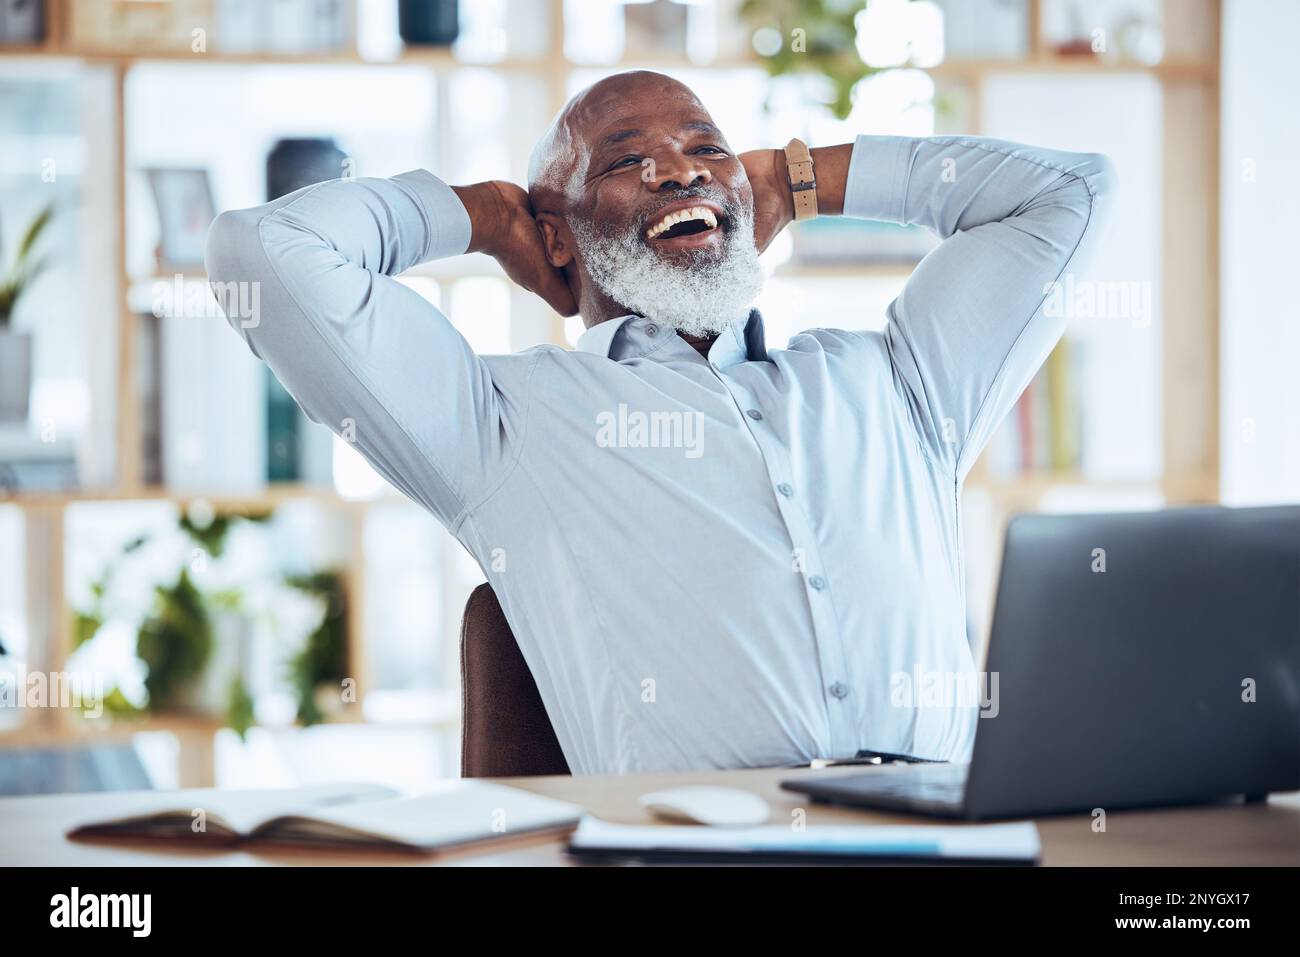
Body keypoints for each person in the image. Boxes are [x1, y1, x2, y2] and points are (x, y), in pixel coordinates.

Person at [206, 70, 1114, 775]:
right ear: (557, 236)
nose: (677, 169)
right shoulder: (501, 426)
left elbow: (1074, 191)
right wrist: (484, 216)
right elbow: (260, 252)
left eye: (704, 147)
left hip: (950, 848)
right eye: (623, 159)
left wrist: (801, 177)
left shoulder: (898, 379)